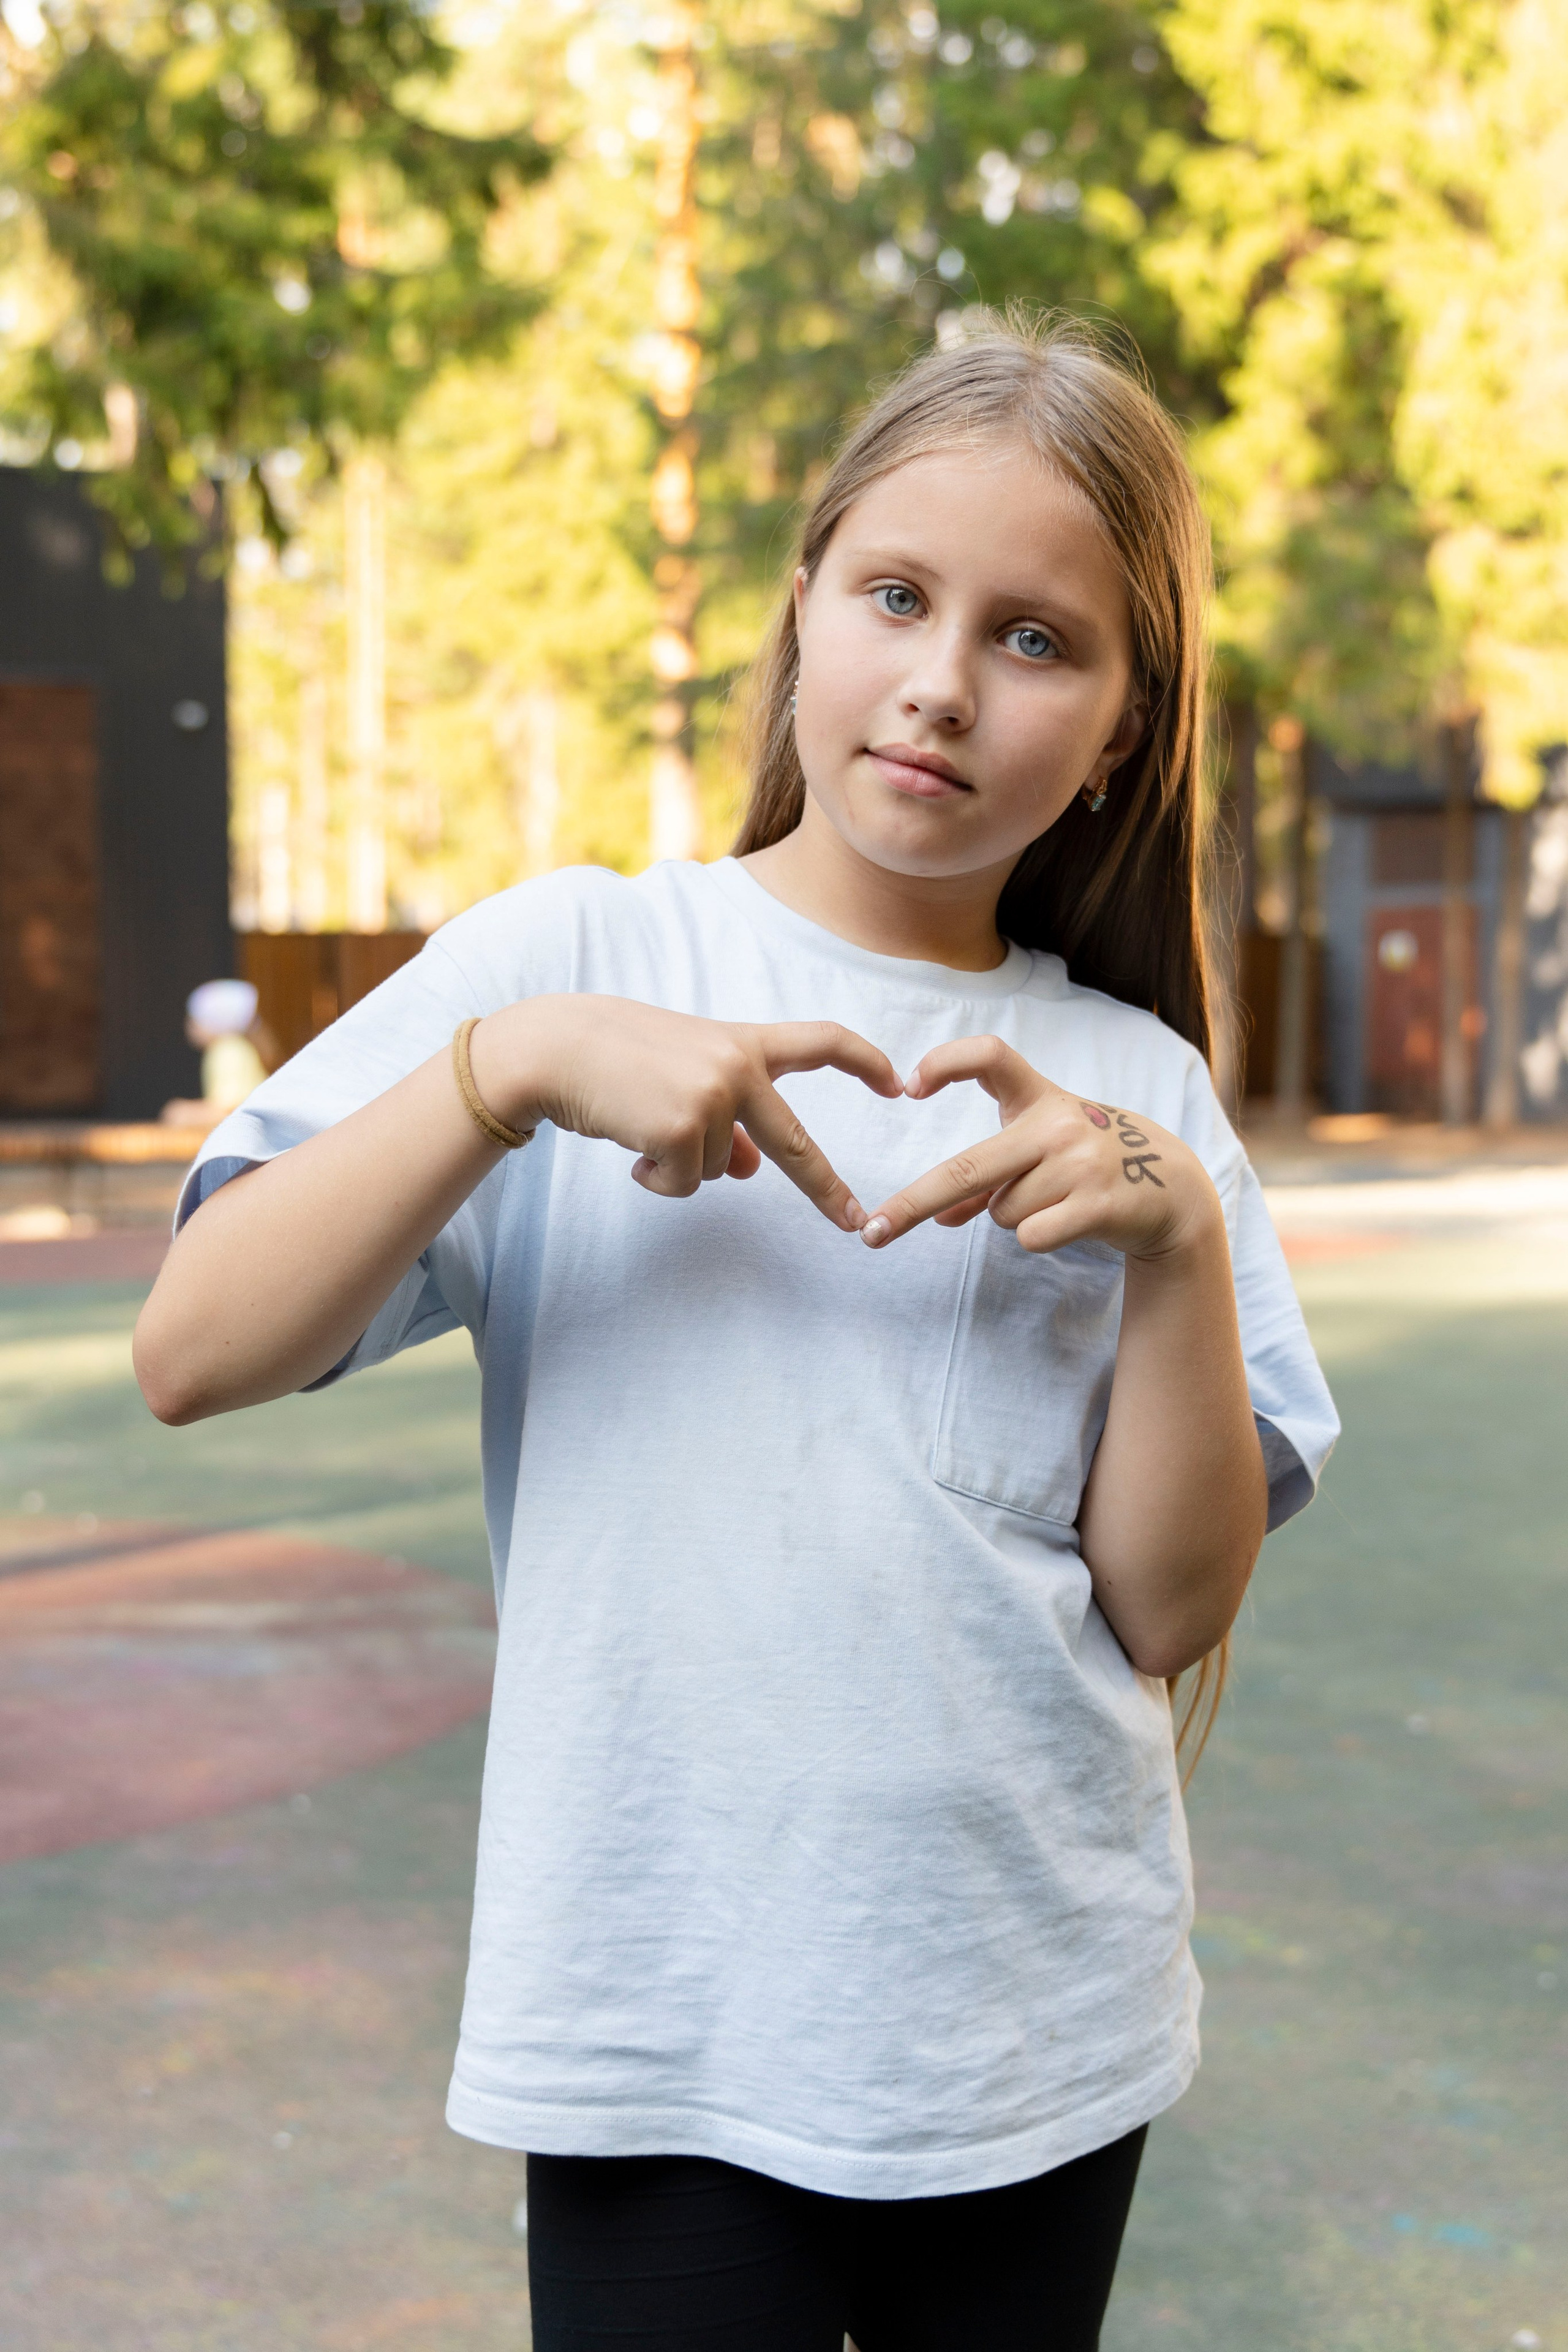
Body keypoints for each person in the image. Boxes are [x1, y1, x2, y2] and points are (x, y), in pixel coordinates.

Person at [133, 313, 1337, 2351]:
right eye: (897, 595)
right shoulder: (580, 956)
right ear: (803, 608)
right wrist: (502, 1071)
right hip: (655, 2029)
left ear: (1126, 727)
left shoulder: (1142, 1089)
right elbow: (191, 1348)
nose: (945, 683)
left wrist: (1176, 1247)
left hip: (1038, 2031)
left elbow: (1167, 1608)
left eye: (1040, 641)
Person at [159, 978, 272, 1129]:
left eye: (195, 1018)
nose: (189, 1025)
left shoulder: (229, 1050)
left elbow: (231, 1110)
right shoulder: (229, 1048)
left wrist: (186, 1114)